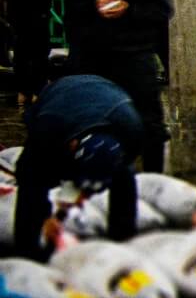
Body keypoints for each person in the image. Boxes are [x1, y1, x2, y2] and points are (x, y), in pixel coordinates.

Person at [63, 0, 172, 172]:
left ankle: (153, 178)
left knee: (149, 122)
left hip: (135, 57)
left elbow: (162, 11)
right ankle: (93, 175)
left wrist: (129, 9)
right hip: (94, 58)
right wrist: (93, 7)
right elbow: (72, 12)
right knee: (90, 119)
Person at [10, 74, 143, 261]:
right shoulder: (48, 128)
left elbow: (120, 175)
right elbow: (29, 177)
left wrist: (81, 193)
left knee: (123, 178)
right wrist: (46, 219)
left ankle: (123, 237)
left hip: (111, 97)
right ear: (72, 146)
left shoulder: (132, 133)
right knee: (32, 178)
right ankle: (27, 253)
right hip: (59, 96)